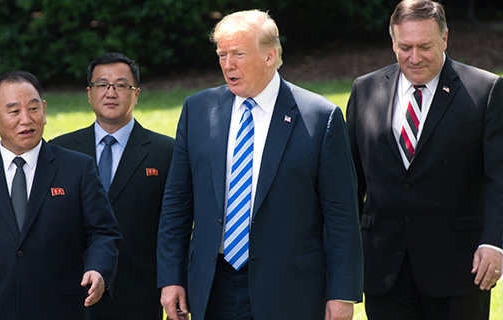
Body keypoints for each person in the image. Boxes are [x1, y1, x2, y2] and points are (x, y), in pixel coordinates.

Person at [157, 9, 363, 320]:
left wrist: (342, 294)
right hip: (214, 286)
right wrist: (172, 278)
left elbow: (342, 215)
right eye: (222, 54)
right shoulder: (198, 110)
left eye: (238, 54)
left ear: (271, 56)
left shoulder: (319, 117)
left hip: (290, 289)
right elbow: (176, 203)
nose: (228, 65)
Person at [346, 1, 503, 319]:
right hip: (383, 267)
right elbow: (350, 181)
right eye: (405, 47)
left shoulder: (485, 90)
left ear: (445, 39)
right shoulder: (365, 90)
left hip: (459, 267)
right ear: (392, 42)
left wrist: (494, 243)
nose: (414, 58)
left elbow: (499, 176)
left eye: (425, 46)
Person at [0, 70, 122, 320]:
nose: (26, 120)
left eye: (33, 109)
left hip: (60, 310)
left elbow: (104, 231)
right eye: (14, 111)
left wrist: (98, 269)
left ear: (44, 110)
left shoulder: (77, 168)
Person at [50, 52, 175, 320]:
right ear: (88, 93)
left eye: (121, 85)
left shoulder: (167, 152)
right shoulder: (59, 149)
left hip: (139, 292)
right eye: (102, 85)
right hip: (73, 288)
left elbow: (175, 226)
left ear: (136, 94)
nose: (111, 92)